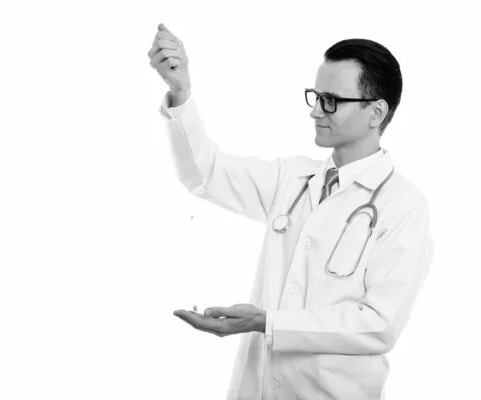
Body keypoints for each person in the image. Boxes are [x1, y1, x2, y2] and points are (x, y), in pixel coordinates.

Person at [147, 23, 434, 400]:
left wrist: (268, 323)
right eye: (315, 96)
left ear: (376, 112)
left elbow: (378, 324)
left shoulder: (403, 206)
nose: (316, 110)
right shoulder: (293, 178)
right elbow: (206, 174)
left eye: (331, 100)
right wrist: (180, 91)